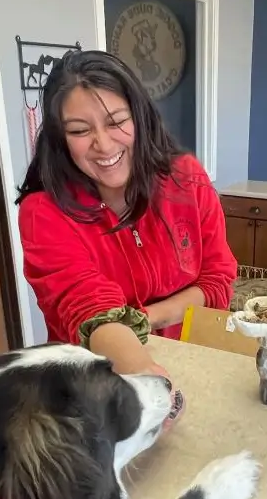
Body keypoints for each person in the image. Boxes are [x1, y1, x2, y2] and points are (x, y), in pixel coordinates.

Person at [16, 50, 237, 388]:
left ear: (140, 116)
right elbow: (87, 306)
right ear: (60, 138)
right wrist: (145, 378)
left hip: (191, 363)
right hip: (95, 382)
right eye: (79, 130)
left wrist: (145, 318)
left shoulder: (187, 179)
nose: (103, 145)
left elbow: (217, 281)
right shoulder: (43, 211)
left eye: (116, 121)